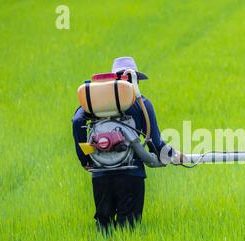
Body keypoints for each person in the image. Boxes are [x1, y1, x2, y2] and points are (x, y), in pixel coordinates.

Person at [72, 57, 181, 232]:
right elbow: (155, 143)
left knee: (104, 228)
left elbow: (77, 121)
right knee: (128, 231)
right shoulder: (141, 103)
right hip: (131, 174)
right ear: (135, 78)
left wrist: (85, 159)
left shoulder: (95, 103)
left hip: (100, 175)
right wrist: (174, 156)